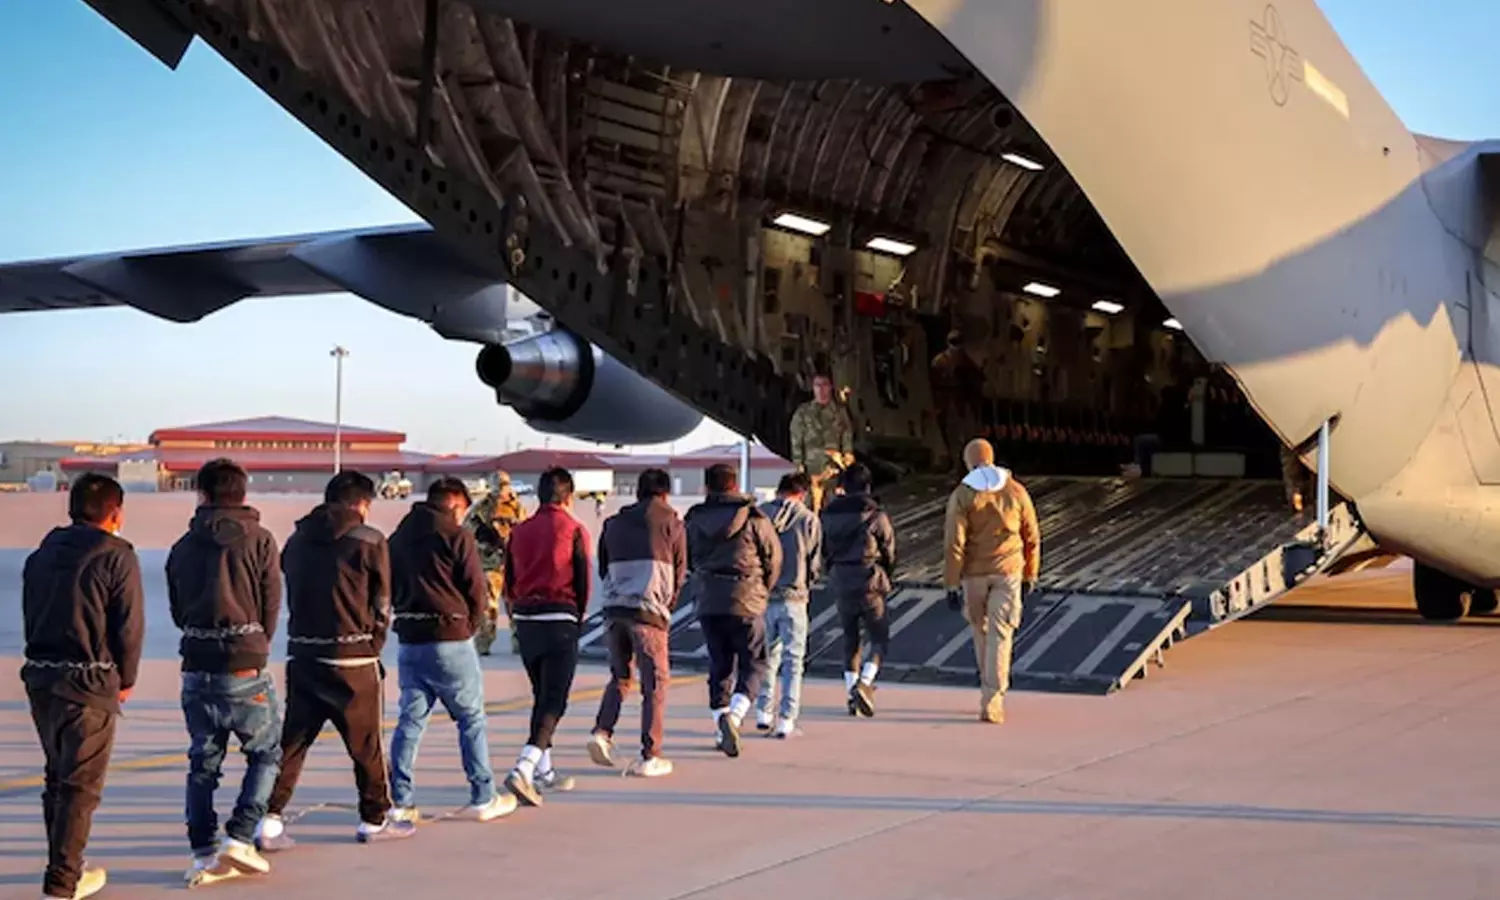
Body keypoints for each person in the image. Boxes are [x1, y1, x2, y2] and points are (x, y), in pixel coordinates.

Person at [256, 471, 413, 850]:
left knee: (292, 743)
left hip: (305, 654)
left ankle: (268, 818)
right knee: (366, 745)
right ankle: (374, 818)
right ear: (361, 503)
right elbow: (382, 601)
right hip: (353, 659)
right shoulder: (370, 540)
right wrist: (373, 644)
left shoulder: (296, 540)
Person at [22, 473, 144, 900]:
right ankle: (63, 880)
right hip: (88, 681)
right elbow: (129, 625)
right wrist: (126, 678)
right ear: (115, 513)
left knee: (58, 777)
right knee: (80, 786)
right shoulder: (116, 555)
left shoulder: (41, 554)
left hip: (42, 677)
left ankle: (65, 866)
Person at [165, 459, 283, 881]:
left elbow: (178, 610)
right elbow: (271, 603)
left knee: (203, 762)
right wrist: (256, 643)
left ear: (202, 493)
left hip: (197, 662)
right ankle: (240, 835)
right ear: (243, 493)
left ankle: (202, 851)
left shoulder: (182, 546)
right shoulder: (261, 540)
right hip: (245, 662)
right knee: (265, 754)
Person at [386, 477, 516, 823]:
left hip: (410, 639)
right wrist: (470, 626)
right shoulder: (457, 536)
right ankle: (483, 795)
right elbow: (475, 588)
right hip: (450, 637)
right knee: (471, 718)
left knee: (411, 721)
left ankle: (401, 800)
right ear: (454, 503)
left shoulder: (398, 538)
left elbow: (386, 584)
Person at [586, 468, 687, 777]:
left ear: (638, 492)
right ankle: (650, 755)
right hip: (649, 612)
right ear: (665, 494)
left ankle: (602, 732)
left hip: (614, 610)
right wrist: (666, 607)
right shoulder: (672, 523)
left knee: (620, 676)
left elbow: (603, 567)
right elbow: (680, 572)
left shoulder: (613, 523)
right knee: (655, 684)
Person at [501, 466, 590, 807]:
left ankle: (544, 771)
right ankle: (524, 766)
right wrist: (578, 618)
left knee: (541, 694)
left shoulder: (519, 531)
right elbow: (582, 580)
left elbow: (509, 579)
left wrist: (514, 611)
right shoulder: (574, 529)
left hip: (525, 619)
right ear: (568, 496)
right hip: (559, 617)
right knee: (555, 699)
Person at [683, 463, 782, 758]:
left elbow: (686, 558)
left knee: (720, 664)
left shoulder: (694, 519)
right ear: (735, 485)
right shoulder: (754, 518)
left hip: (709, 599)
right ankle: (735, 717)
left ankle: (720, 722)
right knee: (755, 662)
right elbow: (773, 559)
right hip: (747, 598)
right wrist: (762, 589)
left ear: (707, 487)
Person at [942, 438, 1041, 724]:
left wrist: (951, 583)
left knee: (980, 631)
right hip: (1008, 572)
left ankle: (987, 688)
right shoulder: (1016, 490)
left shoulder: (962, 495)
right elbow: (1031, 535)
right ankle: (993, 698)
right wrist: (1031, 573)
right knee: (1001, 634)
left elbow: (954, 543)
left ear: (968, 462)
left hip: (974, 575)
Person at [820, 463, 896, 718]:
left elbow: (823, 550)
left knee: (850, 639)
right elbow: (889, 550)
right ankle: (865, 682)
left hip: (841, 580)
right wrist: (887, 574)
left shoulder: (827, 514)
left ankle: (851, 693)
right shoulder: (876, 515)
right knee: (879, 639)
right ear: (868, 486)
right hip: (870, 580)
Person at [754, 472, 821, 738]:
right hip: (795, 596)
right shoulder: (809, 519)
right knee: (793, 661)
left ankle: (763, 712)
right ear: (802, 493)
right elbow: (814, 562)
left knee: (766, 657)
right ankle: (786, 719)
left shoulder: (760, 515)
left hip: (763, 597)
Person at [465, 469, 528, 656]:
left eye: (504, 486)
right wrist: (483, 537)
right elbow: (467, 531)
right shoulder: (481, 508)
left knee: (516, 605)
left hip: (513, 563)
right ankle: (483, 642)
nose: (501, 490)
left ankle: (519, 642)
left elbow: (526, 530)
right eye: (498, 486)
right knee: (488, 607)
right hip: (489, 563)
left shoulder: (517, 508)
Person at [789, 373, 855, 511]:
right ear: (813, 388)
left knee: (835, 508)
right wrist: (798, 464)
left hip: (834, 467)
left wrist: (847, 457)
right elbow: (796, 439)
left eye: (824, 385)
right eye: (817, 385)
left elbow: (847, 435)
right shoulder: (803, 412)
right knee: (810, 508)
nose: (821, 389)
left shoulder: (840, 412)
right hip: (811, 468)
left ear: (830, 387)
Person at [930, 329, 986, 474]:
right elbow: (935, 384)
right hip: (949, 403)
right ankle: (956, 463)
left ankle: (961, 464)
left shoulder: (965, 362)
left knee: (963, 435)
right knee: (953, 436)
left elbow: (977, 380)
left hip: (961, 403)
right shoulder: (941, 361)